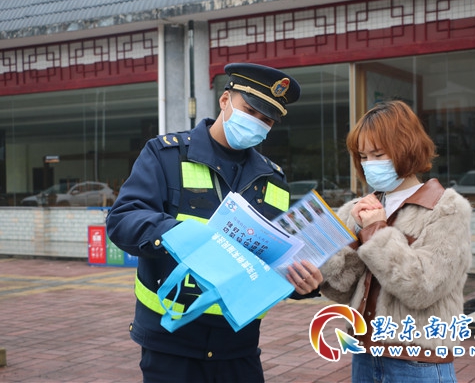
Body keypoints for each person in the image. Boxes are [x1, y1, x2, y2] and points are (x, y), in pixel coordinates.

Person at [106, 63, 323, 383]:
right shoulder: (166, 155)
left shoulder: (274, 180)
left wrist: (302, 284)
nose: (257, 123)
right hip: (172, 344)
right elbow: (123, 219)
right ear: (225, 100)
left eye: (266, 120)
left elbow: (276, 259)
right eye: (250, 110)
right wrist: (183, 235)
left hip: (239, 346)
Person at [320, 100, 472, 383]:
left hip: (418, 360)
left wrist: (376, 231)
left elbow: (423, 288)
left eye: (378, 154)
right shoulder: (358, 208)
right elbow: (338, 290)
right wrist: (343, 245)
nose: (369, 164)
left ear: (407, 148)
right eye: (363, 156)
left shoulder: (446, 208)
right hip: (364, 354)